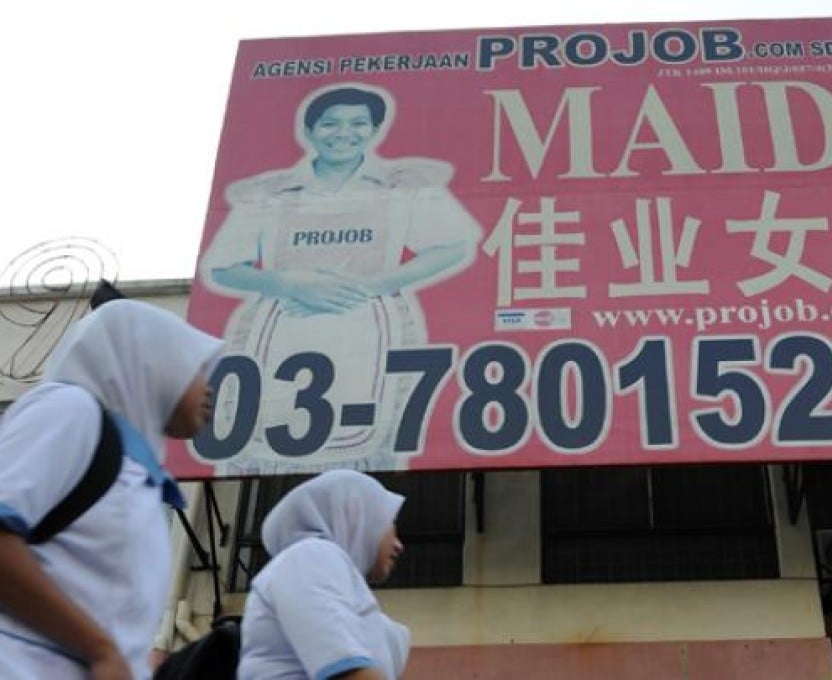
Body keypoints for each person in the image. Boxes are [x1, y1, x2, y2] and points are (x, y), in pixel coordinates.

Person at [199, 83, 482, 474]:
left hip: (374, 328)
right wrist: (288, 284)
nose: (343, 133)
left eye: (358, 123)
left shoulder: (404, 184)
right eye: (330, 124)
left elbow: (454, 245)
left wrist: (370, 286)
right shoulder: (270, 192)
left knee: (374, 440)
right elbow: (223, 265)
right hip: (280, 330)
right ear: (310, 131)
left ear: (375, 128)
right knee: (259, 442)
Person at [0, 299, 224, 679]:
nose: (210, 387)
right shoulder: (70, 409)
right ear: (150, 359)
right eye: (197, 367)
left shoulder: (137, 478)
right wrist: (100, 649)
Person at [238, 470, 408, 679]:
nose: (399, 545)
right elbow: (345, 671)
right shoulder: (310, 557)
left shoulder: (317, 568)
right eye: (391, 523)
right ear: (357, 515)